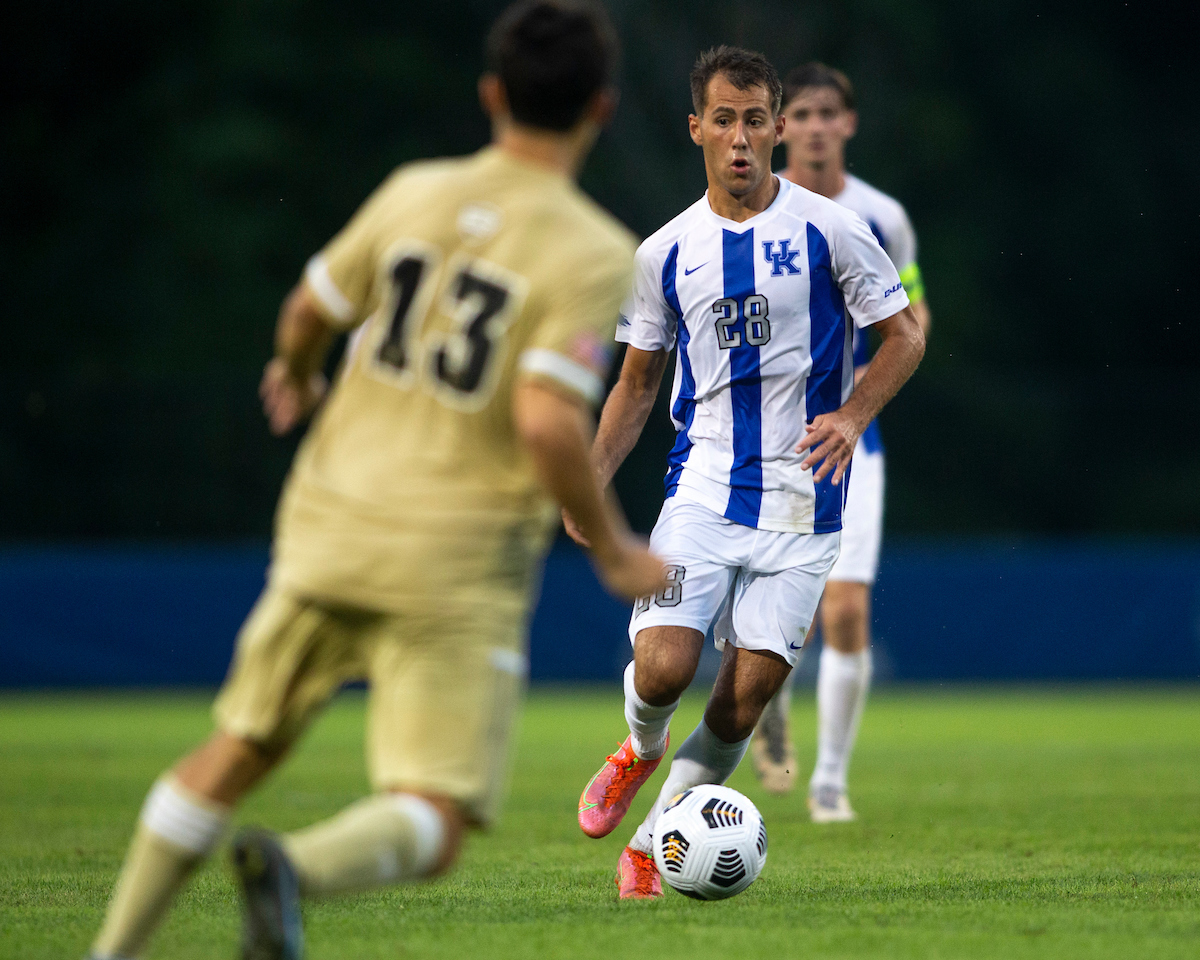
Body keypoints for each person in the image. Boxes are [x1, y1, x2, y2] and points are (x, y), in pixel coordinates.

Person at [86, 3, 665, 958]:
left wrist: (299, 373)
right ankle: (294, 871)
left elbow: (306, 310)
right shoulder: (594, 248)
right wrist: (611, 549)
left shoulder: (413, 191)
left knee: (236, 749)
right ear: (601, 108)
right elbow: (544, 418)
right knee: (435, 814)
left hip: (327, 524)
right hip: (452, 561)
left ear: (491, 94)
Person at [567, 46, 925, 899]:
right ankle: (639, 750)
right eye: (723, 120)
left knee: (742, 702)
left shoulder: (834, 229)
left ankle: (651, 845)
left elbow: (905, 335)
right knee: (663, 668)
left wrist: (853, 415)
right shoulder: (663, 252)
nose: (739, 138)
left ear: (777, 128)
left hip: (806, 500)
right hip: (703, 486)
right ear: (696, 128)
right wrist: (589, 477)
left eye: (754, 120)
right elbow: (636, 385)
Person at [750, 63, 933, 823]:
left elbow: (914, 318)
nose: (817, 126)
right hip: (763, 435)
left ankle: (828, 780)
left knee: (847, 609)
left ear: (849, 123)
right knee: (764, 609)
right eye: (802, 114)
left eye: (830, 112)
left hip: (855, 436)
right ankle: (767, 708)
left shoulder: (881, 216)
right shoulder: (755, 209)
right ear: (780, 126)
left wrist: (864, 388)